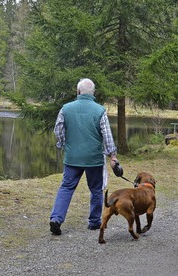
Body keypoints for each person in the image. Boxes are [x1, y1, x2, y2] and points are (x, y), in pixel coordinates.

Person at [49, 78, 118, 236]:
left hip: (72, 157)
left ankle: (56, 218)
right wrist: (112, 156)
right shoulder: (99, 110)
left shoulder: (66, 108)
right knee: (96, 190)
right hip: (93, 158)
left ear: (78, 91)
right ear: (93, 93)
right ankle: (94, 222)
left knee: (66, 188)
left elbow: (58, 130)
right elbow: (107, 136)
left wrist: (63, 144)